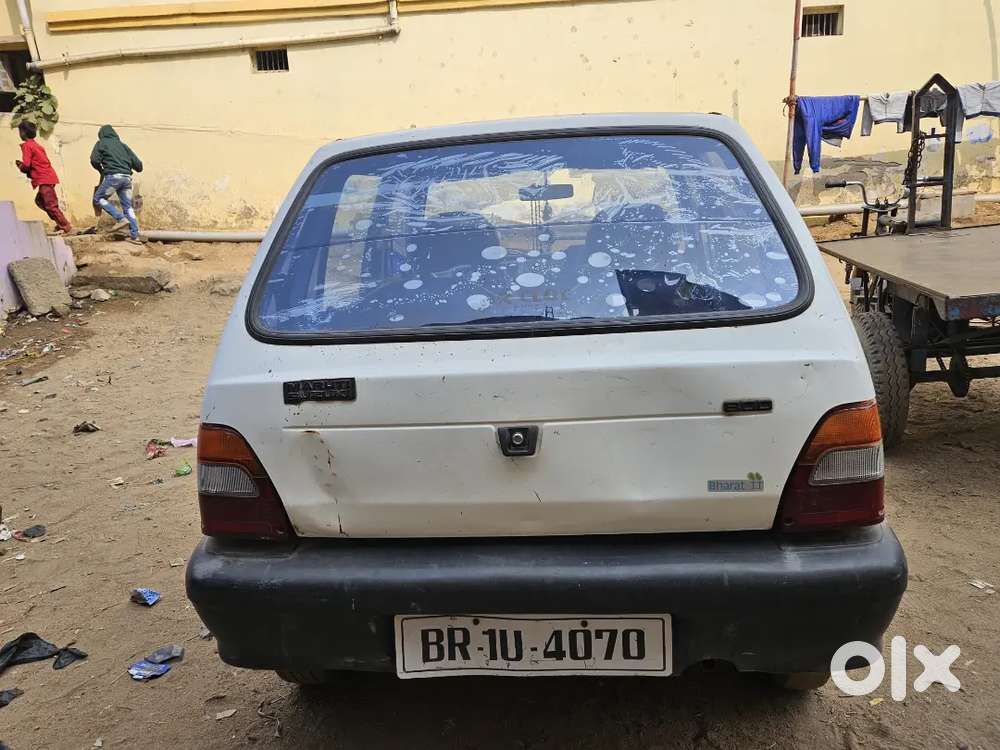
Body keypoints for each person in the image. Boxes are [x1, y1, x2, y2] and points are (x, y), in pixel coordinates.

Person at [15, 121, 72, 235]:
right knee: (40, 201)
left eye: (20, 131)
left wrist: (21, 166)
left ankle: (65, 226)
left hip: (44, 178)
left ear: (23, 133)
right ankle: (60, 223)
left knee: (50, 204)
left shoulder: (27, 146)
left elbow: (26, 165)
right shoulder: (37, 145)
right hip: (48, 176)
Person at [90, 124, 143, 243]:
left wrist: (101, 170)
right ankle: (135, 236)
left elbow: (94, 160)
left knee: (98, 198)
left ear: (101, 135)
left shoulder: (101, 143)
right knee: (128, 207)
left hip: (114, 177)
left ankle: (120, 219)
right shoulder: (123, 146)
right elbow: (139, 166)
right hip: (127, 179)